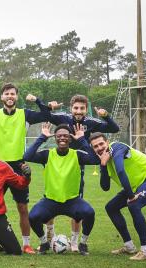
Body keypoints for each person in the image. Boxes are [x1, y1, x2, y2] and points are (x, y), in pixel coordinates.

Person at [0, 83, 60, 254]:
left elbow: (47, 114)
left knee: (22, 208)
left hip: (18, 166)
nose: (10, 96)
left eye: (13, 94)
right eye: (7, 94)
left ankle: (26, 244)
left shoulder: (26, 115)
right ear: (2, 97)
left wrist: (37, 100)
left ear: (17, 97)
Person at [46, 94, 120, 251]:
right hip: (56, 162)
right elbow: (44, 115)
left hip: (77, 165)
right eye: (76, 108)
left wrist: (105, 116)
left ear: (86, 110)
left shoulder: (91, 122)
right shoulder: (63, 118)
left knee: (76, 202)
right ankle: (50, 235)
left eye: (82, 108)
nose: (78, 111)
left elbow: (114, 128)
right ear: (71, 108)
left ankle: (74, 242)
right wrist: (49, 107)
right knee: (50, 198)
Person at [23, 123, 99, 255]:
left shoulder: (77, 154)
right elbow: (27, 156)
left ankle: (82, 244)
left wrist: (81, 139)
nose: (62, 138)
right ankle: (44, 243)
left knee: (89, 213)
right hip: (50, 202)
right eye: (59, 136)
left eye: (65, 135)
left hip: (72, 201)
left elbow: (95, 159)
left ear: (70, 138)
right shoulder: (48, 154)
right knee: (33, 216)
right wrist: (42, 137)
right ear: (55, 138)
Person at [89, 132, 146, 261]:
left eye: (101, 144)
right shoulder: (104, 160)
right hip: (135, 186)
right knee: (111, 207)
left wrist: (131, 196)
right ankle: (129, 246)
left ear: (107, 142)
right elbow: (105, 187)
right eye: (95, 146)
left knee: (134, 205)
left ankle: (145, 251)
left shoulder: (117, 147)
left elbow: (120, 170)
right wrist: (102, 165)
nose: (100, 148)